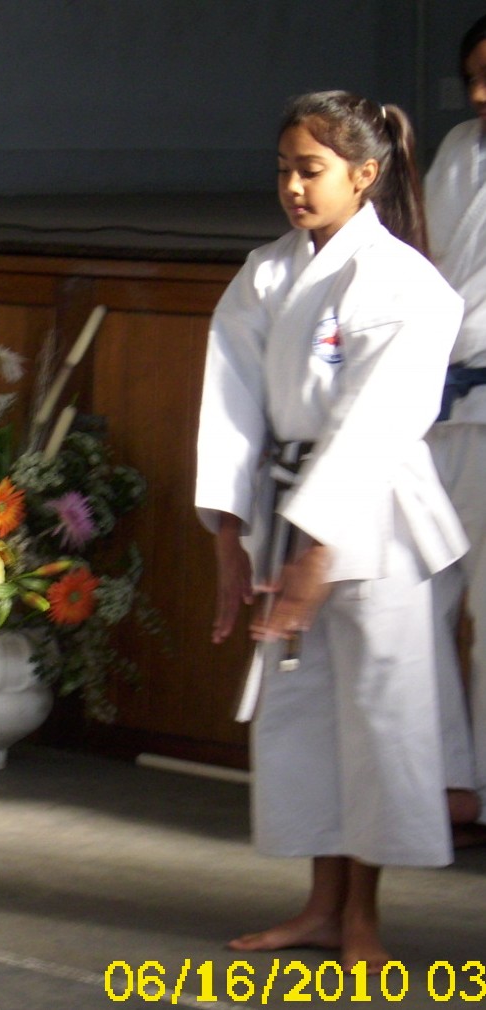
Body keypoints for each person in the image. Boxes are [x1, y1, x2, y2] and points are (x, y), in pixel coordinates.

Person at [195, 91, 466, 972]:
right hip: (286, 506)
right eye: (282, 170)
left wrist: (316, 552)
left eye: (309, 170)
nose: (291, 187)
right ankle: (318, 907)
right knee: (305, 718)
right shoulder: (264, 272)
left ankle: (361, 919)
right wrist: (227, 534)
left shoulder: (406, 285)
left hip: (376, 522)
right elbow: (230, 406)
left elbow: (373, 427)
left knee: (377, 720)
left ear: (364, 173)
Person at [424, 14, 486, 841]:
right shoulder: (456, 152)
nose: (477, 93)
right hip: (432, 402)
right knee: (417, 596)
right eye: (471, 75)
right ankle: (442, 780)